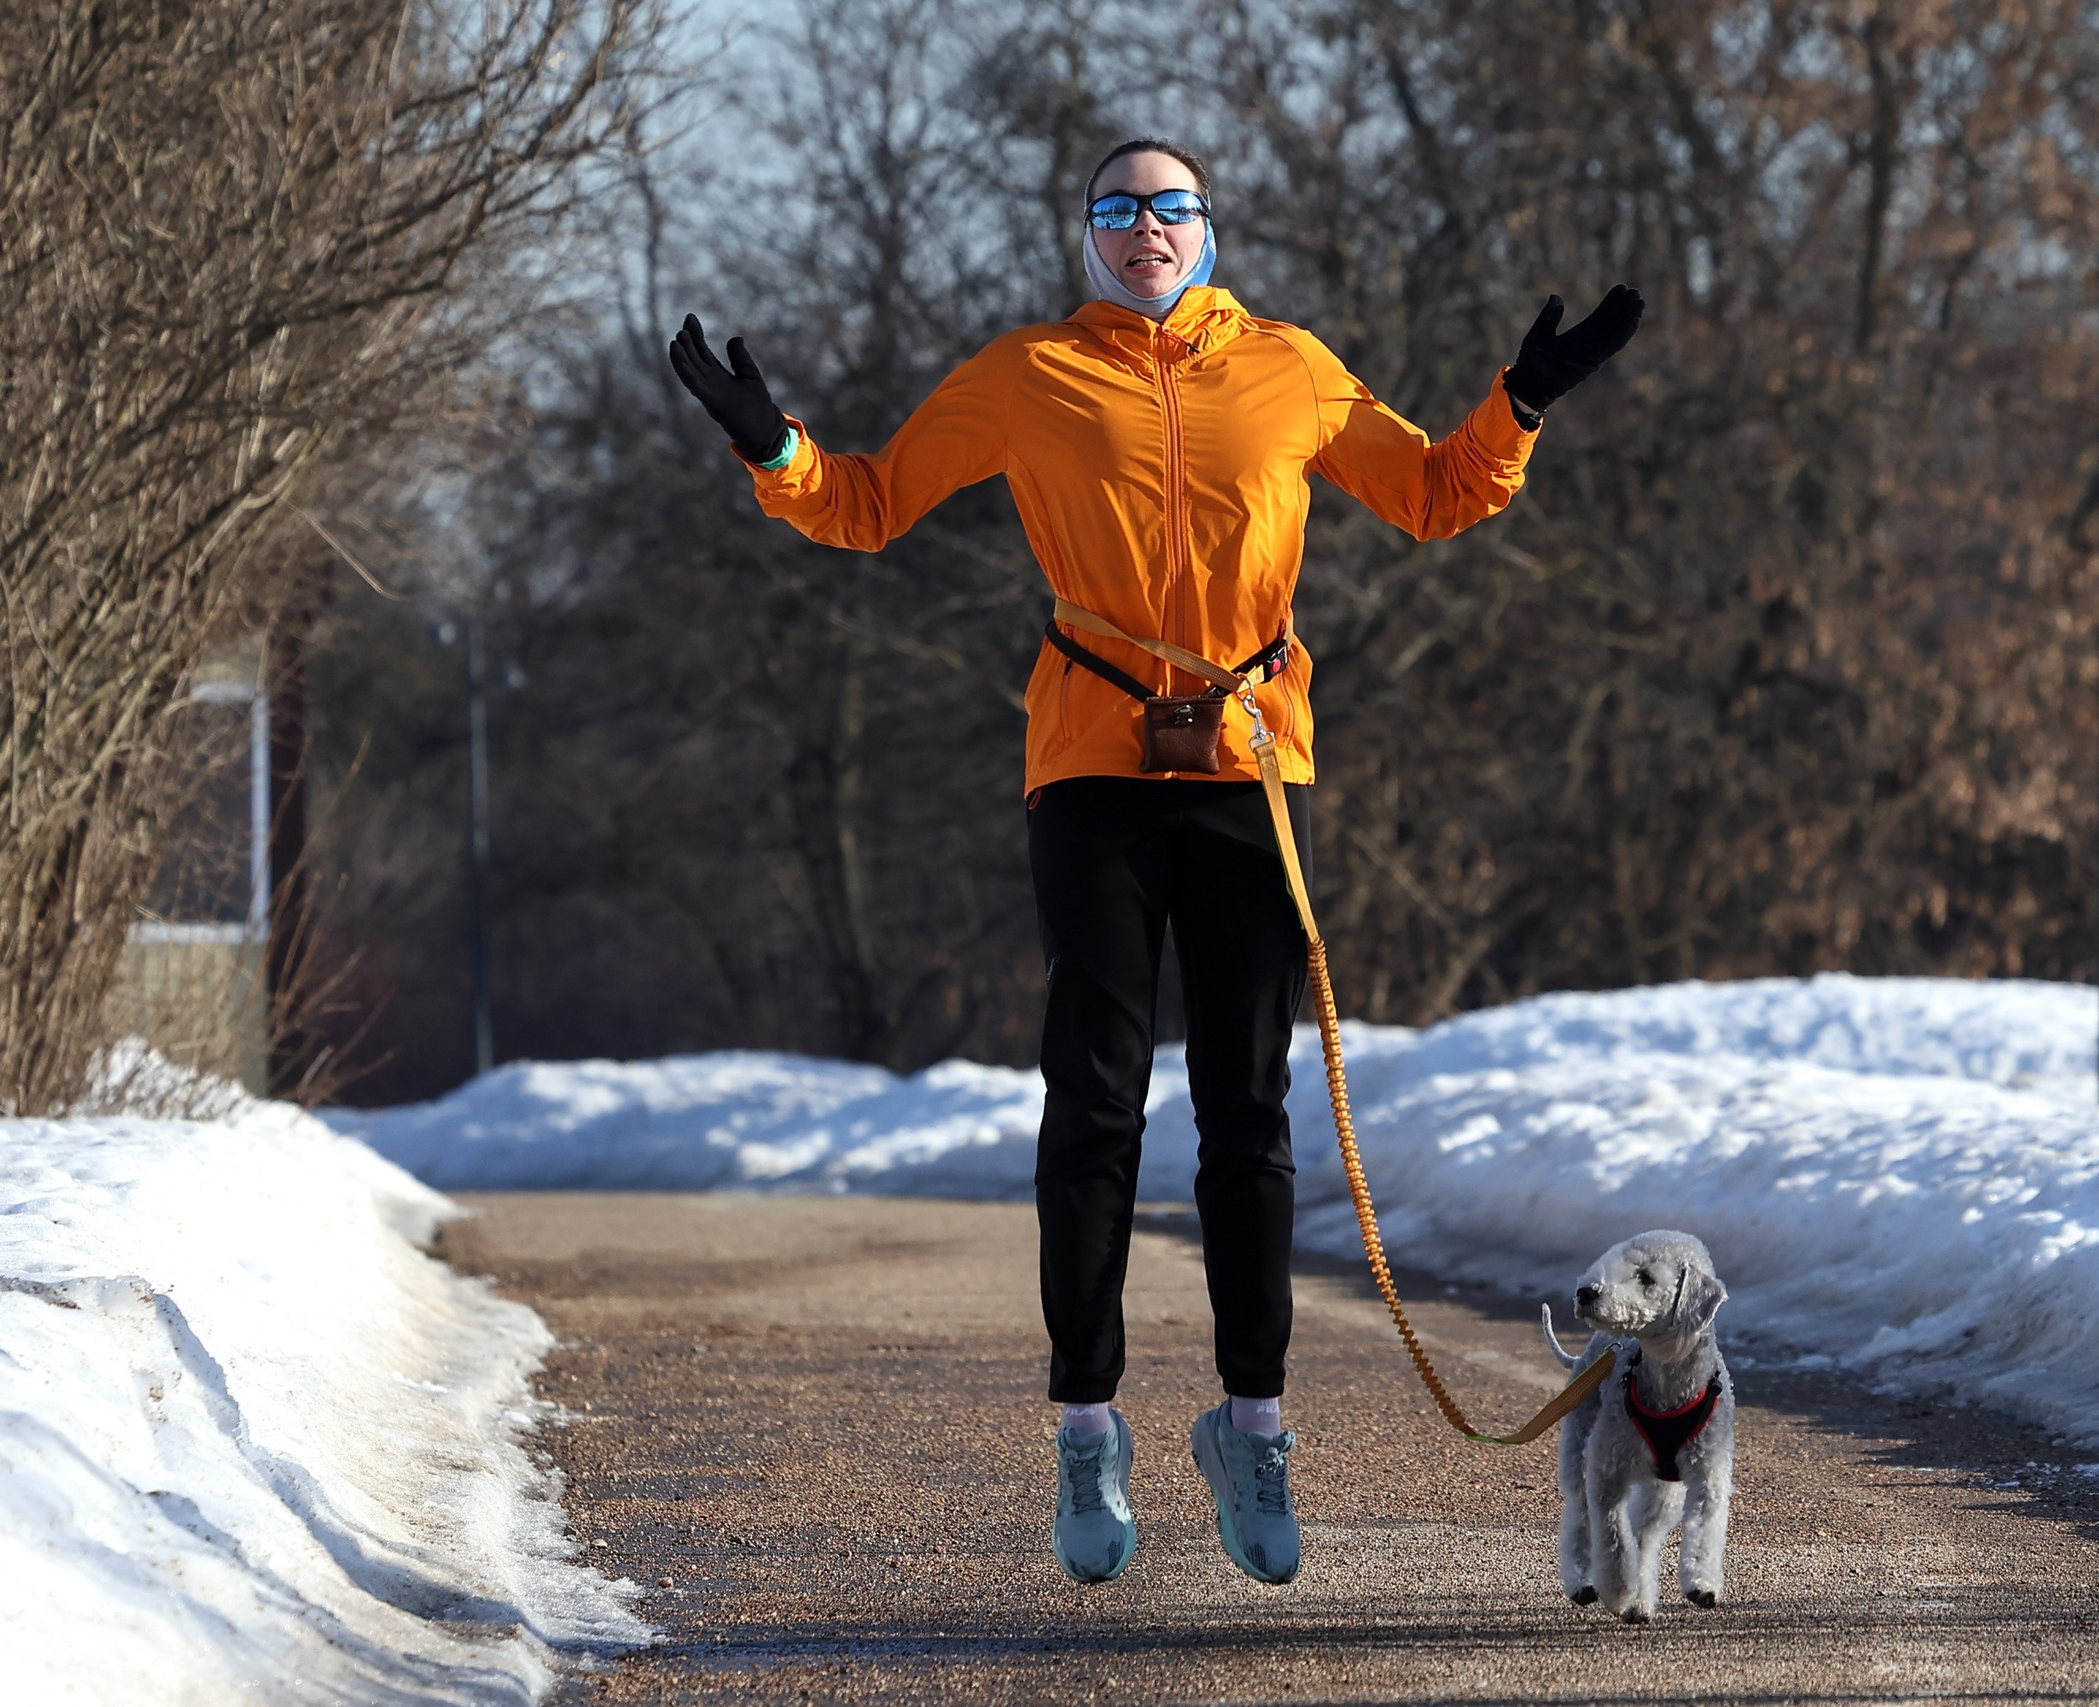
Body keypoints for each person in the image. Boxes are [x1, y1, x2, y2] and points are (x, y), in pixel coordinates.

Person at [669, 137, 1641, 1587]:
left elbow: (1436, 492)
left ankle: (1253, 1427)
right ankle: (1085, 1429)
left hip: (1245, 758)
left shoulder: (1292, 368)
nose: (1145, 231)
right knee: (1097, 1101)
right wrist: (771, 444)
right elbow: (867, 504)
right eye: (1117, 210)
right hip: (1090, 765)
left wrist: (1522, 402)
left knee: (1246, 1109)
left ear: (1208, 229)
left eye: (1170, 207)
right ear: (1088, 238)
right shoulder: (1030, 373)